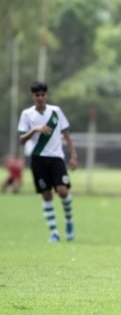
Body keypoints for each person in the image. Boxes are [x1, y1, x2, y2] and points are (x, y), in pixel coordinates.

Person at [18, 81, 78, 242]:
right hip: (38, 159)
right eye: (37, 95)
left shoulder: (55, 111)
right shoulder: (27, 114)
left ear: (46, 95)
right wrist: (35, 129)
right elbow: (22, 140)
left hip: (56, 158)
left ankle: (69, 221)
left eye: (42, 94)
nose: (40, 98)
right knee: (46, 194)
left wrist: (73, 155)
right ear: (33, 97)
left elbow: (66, 134)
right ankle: (54, 232)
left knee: (63, 191)